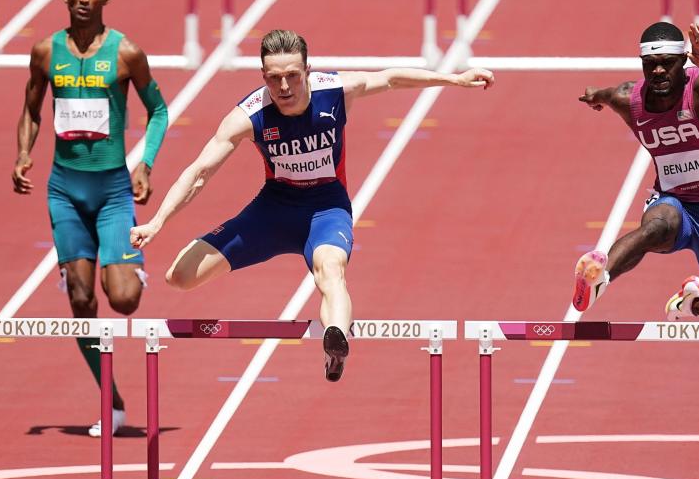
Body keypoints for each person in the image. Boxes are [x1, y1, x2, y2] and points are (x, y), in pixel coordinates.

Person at [130, 29, 494, 381]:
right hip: (273, 211)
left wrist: (455, 80)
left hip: (325, 208)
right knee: (179, 277)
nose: (284, 87)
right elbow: (199, 172)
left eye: (292, 75)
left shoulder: (334, 89)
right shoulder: (249, 115)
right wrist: (158, 221)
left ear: (307, 70)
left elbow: (391, 79)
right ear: (263, 76)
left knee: (330, 269)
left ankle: (336, 339)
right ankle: (334, 331)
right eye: (274, 79)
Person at [13, 0, 169, 435]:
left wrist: (146, 163)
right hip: (64, 190)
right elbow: (31, 108)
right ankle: (111, 399)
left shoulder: (126, 53)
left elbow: (158, 109)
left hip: (113, 191)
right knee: (81, 299)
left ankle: (126, 265)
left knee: (123, 300)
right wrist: (23, 152)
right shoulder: (45, 52)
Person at [575, 22, 699, 355]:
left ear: (685, 63)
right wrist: (595, 96)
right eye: (650, 64)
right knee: (658, 226)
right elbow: (608, 95)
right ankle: (598, 277)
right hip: (673, 202)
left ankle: (697, 300)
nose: (659, 70)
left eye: (667, 62)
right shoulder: (630, 100)